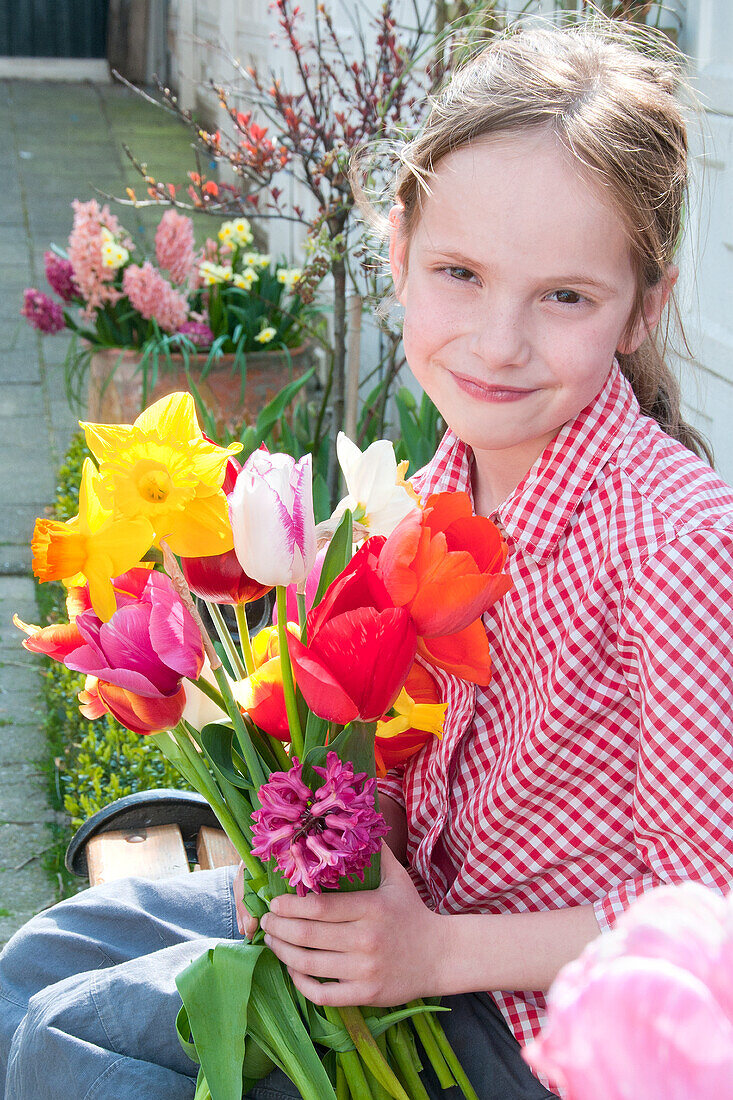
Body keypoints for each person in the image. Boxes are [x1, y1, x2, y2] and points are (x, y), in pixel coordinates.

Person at [2, 19, 733, 1100]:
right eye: (459, 272)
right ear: (396, 254)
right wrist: (307, 864)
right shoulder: (443, 481)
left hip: (522, 1015)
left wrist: (431, 953)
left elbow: (708, 919)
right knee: (38, 967)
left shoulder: (672, 541)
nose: (496, 341)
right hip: (412, 920)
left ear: (644, 307)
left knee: (77, 1050)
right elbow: (417, 770)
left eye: (563, 296)